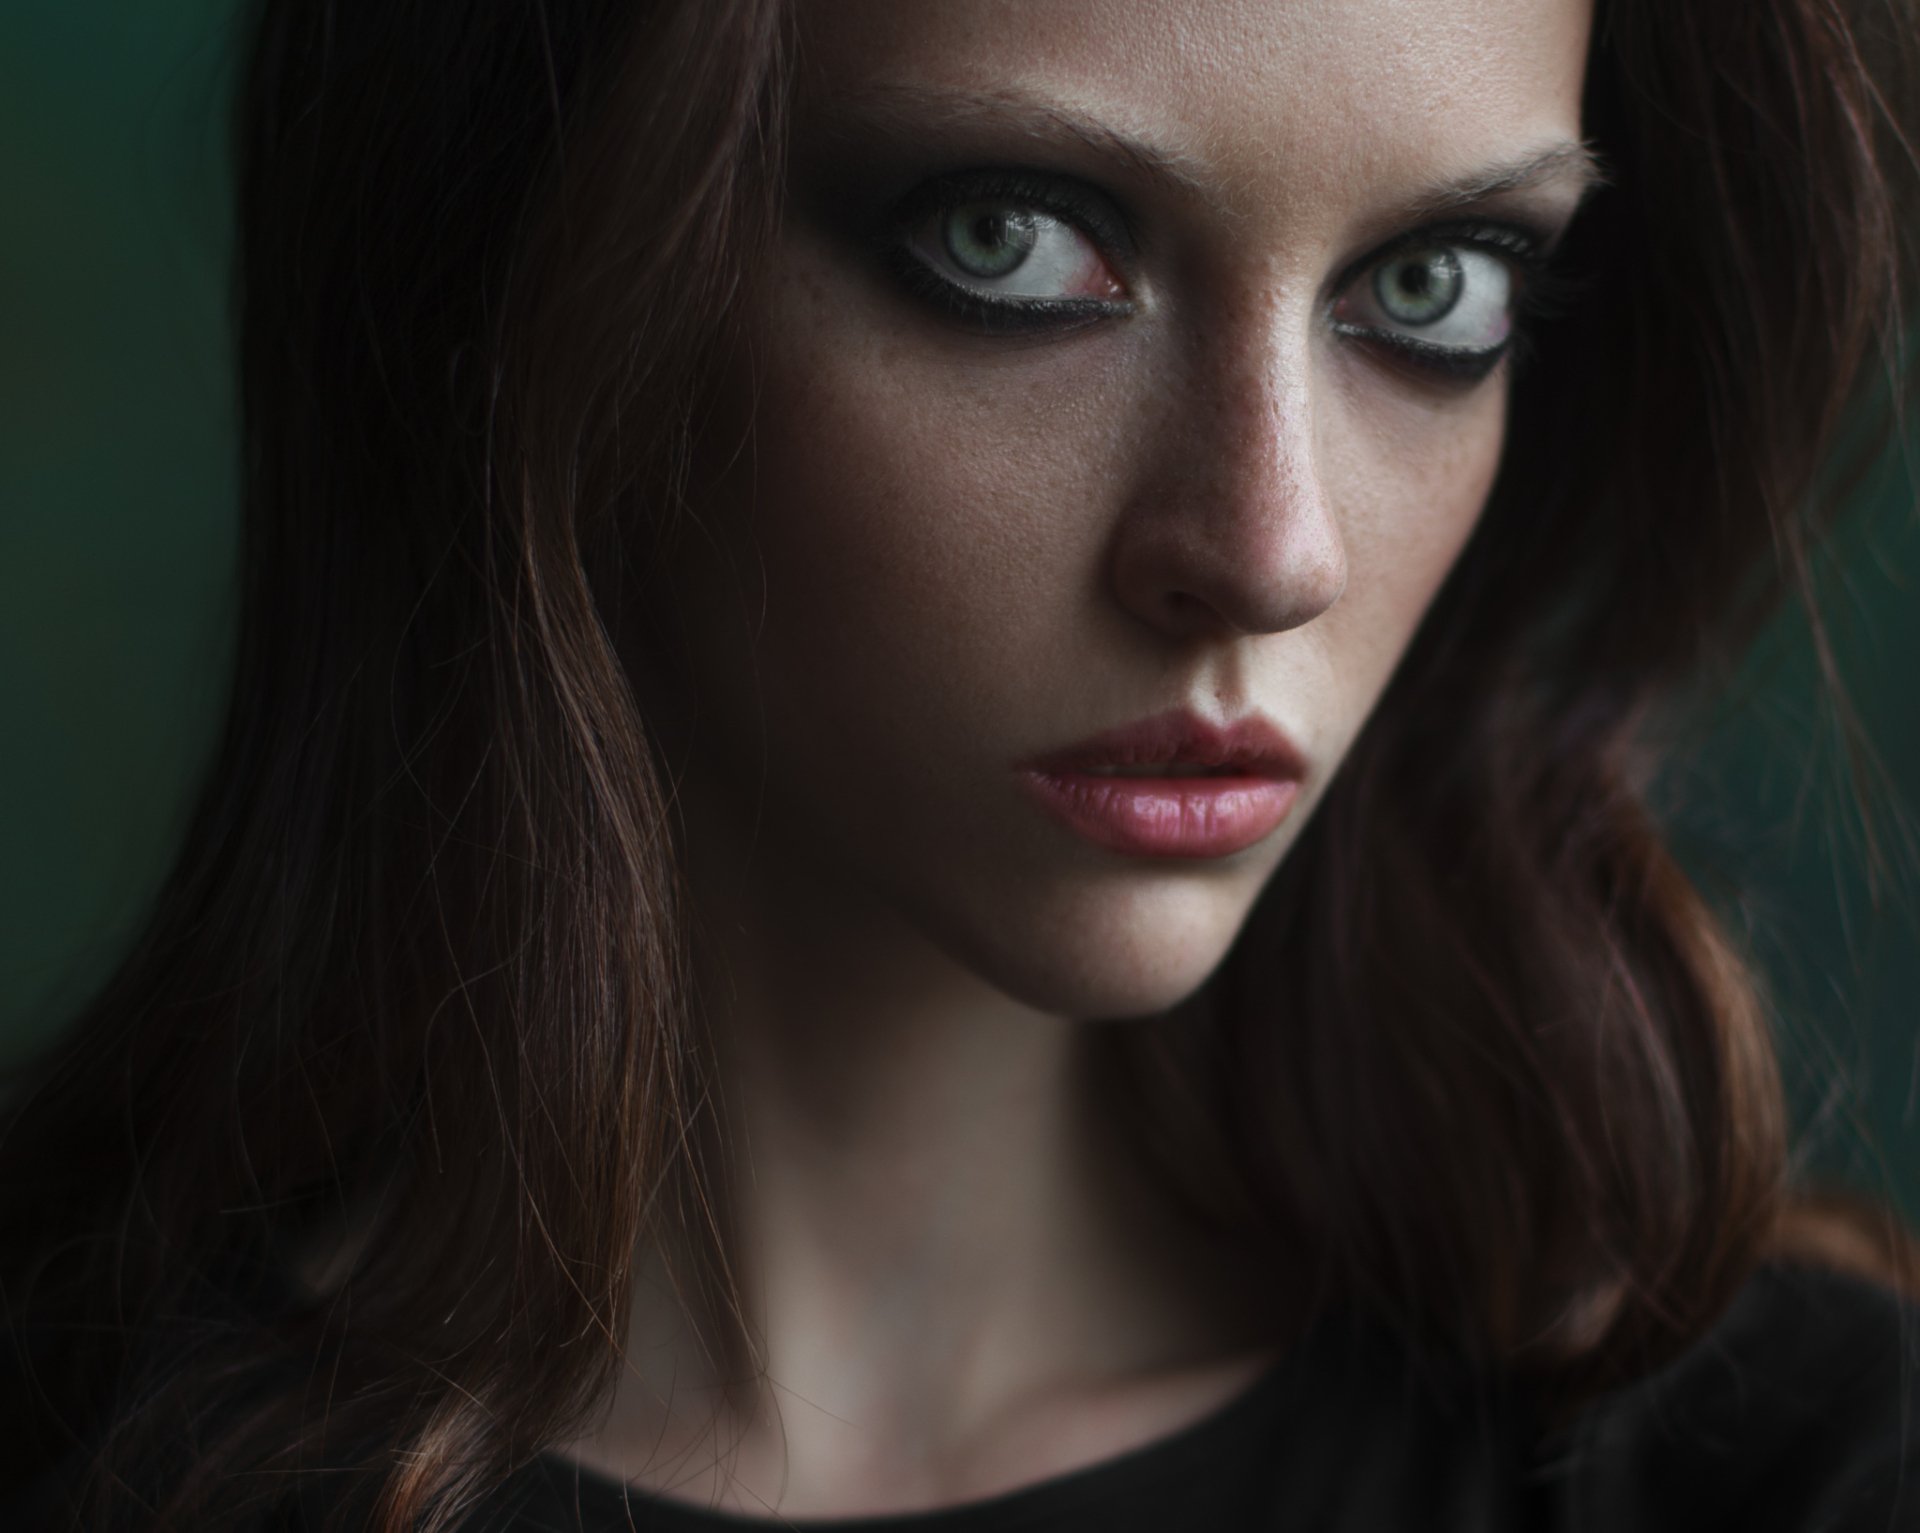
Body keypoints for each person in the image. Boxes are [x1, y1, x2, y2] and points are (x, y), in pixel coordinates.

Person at [4, 0, 1920, 1528]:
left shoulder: (1785, 1466)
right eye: (1015, 243)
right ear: (544, 252)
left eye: (1437, 290)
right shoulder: (76, 1444)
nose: (1270, 547)